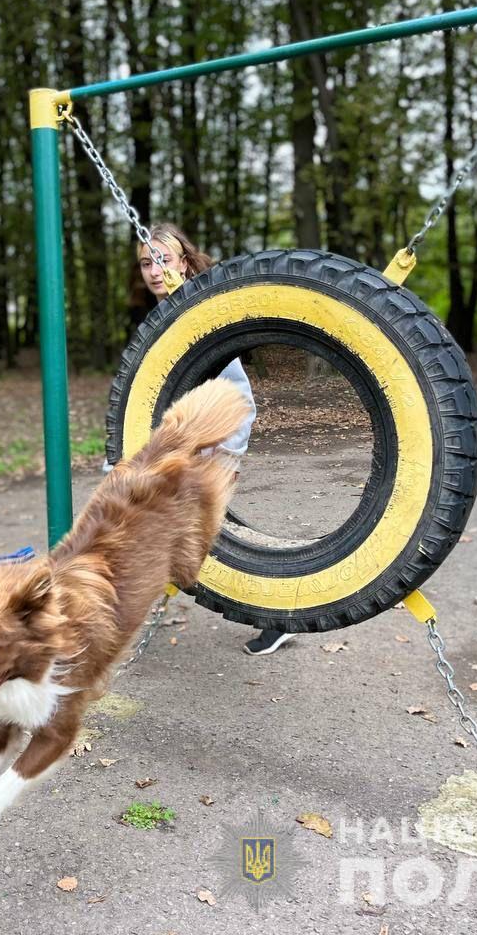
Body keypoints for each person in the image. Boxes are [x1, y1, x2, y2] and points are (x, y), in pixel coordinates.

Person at [117, 223, 297, 657]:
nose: (154, 271)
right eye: (146, 263)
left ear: (183, 262)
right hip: (190, 438)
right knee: (209, 529)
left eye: (163, 260)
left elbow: (227, 392)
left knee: (207, 533)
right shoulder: (162, 316)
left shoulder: (198, 309)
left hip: (220, 433)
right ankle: (276, 609)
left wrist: (213, 454)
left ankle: (277, 614)